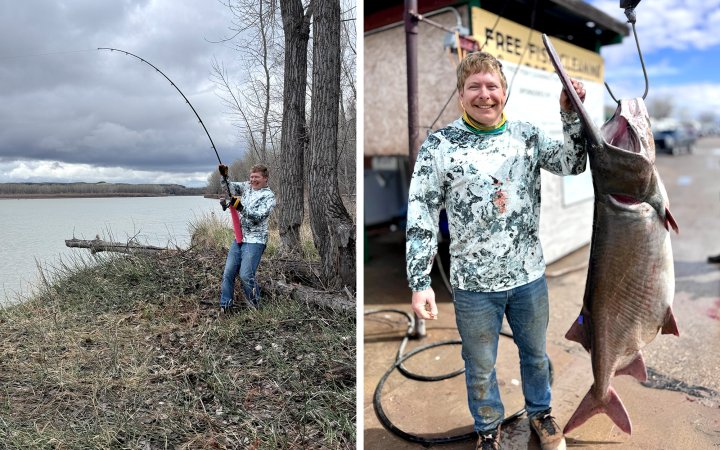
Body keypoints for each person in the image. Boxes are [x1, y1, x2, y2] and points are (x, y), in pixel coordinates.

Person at [406, 52, 588, 450]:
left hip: (529, 278)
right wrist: (420, 282)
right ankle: (488, 428)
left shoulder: (527, 136)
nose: (483, 95)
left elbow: (574, 165)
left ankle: (541, 414)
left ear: (505, 92)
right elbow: (420, 214)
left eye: (492, 86)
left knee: (536, 356)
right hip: (473, 286)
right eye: (474, 87)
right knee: (480, 366)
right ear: (460, 95)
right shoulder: (440, 146)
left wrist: (570, 116)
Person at [218, 163, 276, 312]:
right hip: (239, 237)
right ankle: (226, 306)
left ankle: (255, 305)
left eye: (257, 177)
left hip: (256, 241)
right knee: (228, 273)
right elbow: (229, 188)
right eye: (251, 177)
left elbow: (258, 217)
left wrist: (241, 208)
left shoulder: (269, 196)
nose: (253, 180)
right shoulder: (247, 187)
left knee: (245, 275)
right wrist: (224, 176)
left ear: (265, 179)